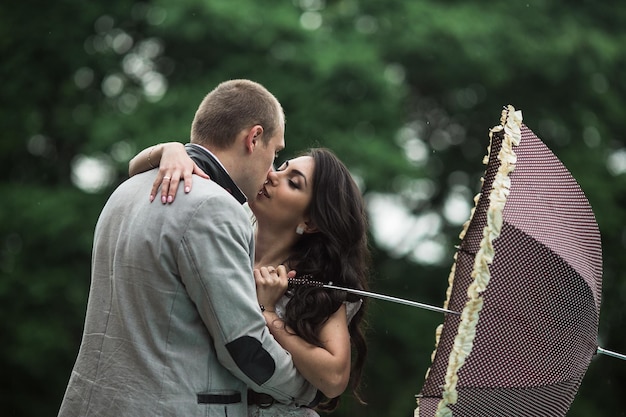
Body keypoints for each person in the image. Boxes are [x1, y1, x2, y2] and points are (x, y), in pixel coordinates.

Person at [58, 79, 319, 417]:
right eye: (276, 152)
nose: (272, 170)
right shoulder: (214, 208)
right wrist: (307, 389)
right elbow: (243, 345)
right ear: (253, 138)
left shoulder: (127, 189)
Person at [129, 144, 370, 416]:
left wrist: (268, 316)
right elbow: (134, 168)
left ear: (310, 222)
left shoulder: (311, 286)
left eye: (293, 182)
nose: (271, 175)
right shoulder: (222, 234)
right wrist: (170, 150)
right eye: (280, 166)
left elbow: (335, 379)